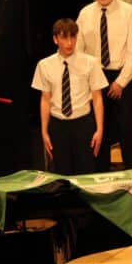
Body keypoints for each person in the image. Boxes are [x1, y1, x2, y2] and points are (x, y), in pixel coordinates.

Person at [76, 0, 132, 171]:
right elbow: (79, 50)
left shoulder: (128, 12)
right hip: (96, 76)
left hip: (122, 75)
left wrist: (121, 82)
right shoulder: (85, 14)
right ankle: (101, 174)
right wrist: (90, 80)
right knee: (100, 129)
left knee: (127, 129)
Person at [32, 18, 106, 175]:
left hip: (83, 124)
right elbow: (45, 99)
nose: (69, 43)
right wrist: (44, 131)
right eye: (64, 38)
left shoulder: (90, 62)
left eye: (73, 37)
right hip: (58, 124)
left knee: (86, 172)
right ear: (55, 39)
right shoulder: (44, 65)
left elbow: (97, 97)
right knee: (61, 173)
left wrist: (99, 129)